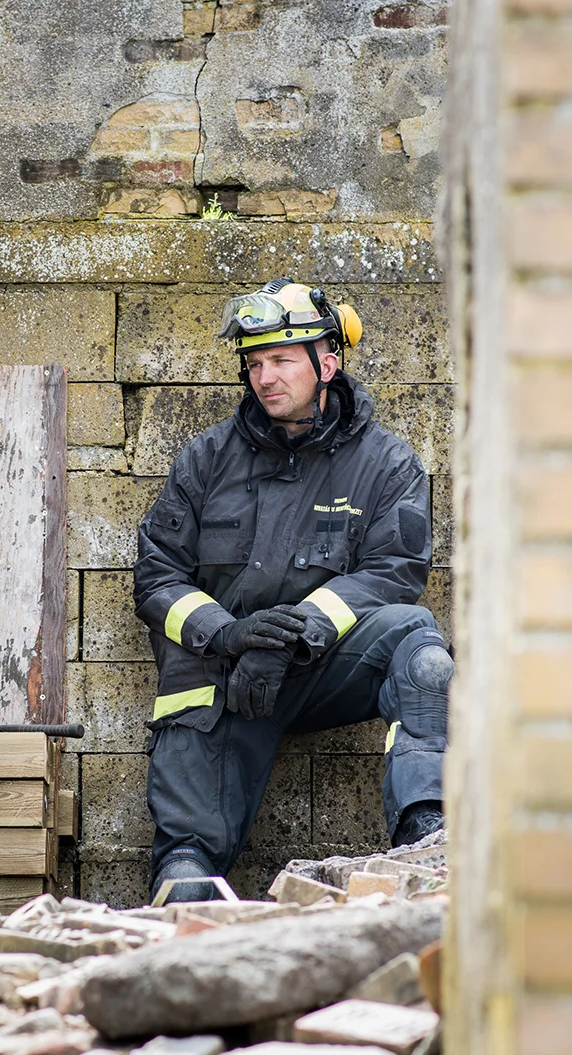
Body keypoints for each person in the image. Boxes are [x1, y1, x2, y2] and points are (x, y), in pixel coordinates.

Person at [133, 279, 451, 903]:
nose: (264, 377)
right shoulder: (206, 460)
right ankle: (185, 906)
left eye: (281, 360)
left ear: (327, 362)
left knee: (421, 648)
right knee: (187, 874)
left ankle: (429, 837)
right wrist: (224, 632)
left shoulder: (386, 464)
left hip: (324, 667)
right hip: (221, 679)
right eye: (254, 363)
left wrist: (299, 631)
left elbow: (396, 569)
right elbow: (156, 575)